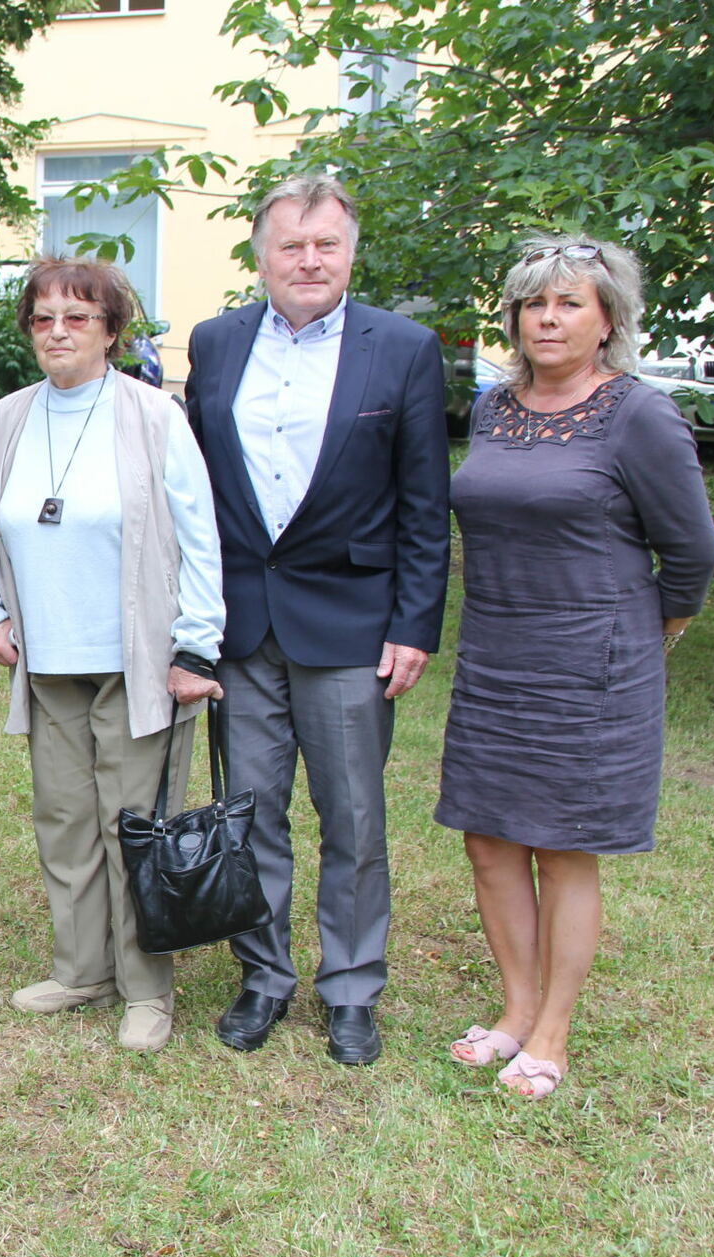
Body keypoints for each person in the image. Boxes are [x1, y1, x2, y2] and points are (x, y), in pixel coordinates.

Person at [436, 235, 714, 1099]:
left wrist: (642, 632)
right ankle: (515, 1010)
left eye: (568, 304)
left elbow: (694, 553)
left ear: (608, 321)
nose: (547, 319)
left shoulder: (639, 413)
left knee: (562, 849)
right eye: (532, 303)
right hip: (495, 653)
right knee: (488, 840)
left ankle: (552, 1032)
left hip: (592, 665)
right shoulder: (494, 407)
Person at [184, 174, 449, 1065]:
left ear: (349, 252)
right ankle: (263, 976)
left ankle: (350, 989)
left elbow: (425, 503)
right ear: (259, 255)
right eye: (290, 245)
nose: (308, 260)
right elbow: (202, 495)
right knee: (250, 810)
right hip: (244, 625)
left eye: (325, 244)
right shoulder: (216, 344)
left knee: (354, 817)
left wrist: (414, 625)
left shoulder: (402, 348)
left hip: (351, 624)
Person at [0, 257, 223, 1052]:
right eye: (43, 319)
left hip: (137, 659)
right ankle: (83, 968)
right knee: (65, 820)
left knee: (133, 826)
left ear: (111, 331)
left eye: (77, 318)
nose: (57, 332)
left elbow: (198, 534)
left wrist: (195, 645)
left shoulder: (151, 415)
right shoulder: (10, 416)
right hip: (47, 657)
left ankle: (147, 987)